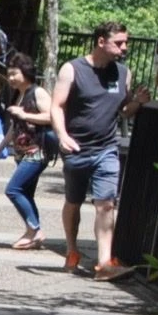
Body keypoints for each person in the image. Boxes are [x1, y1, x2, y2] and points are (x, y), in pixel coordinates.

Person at [50, 21, 132, 278]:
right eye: (119, 43)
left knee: (106, 203)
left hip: (107, 147)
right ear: (100, 42)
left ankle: (105, 263)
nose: (124, 48)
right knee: (73, 202)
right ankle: (72, 250)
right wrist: (62, 135)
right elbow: (56, 106)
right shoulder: (72, 69)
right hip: (76, 149)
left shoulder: (123, 73)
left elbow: (124, 111)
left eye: (125, 42)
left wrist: (138, 103)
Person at [1, 52, 55, 251]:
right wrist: (2, 144)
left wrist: (24, 114)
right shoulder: (18, 94)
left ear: (26, 72)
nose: (11, 78)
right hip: (21, 152)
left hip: (37, 151)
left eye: (14, 73)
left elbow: (52, 116)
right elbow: (15, 126)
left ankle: (35, 229)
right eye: (9, 74)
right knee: (26, 193)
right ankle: (32, 233)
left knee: (13, 189)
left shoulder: (37, 92)